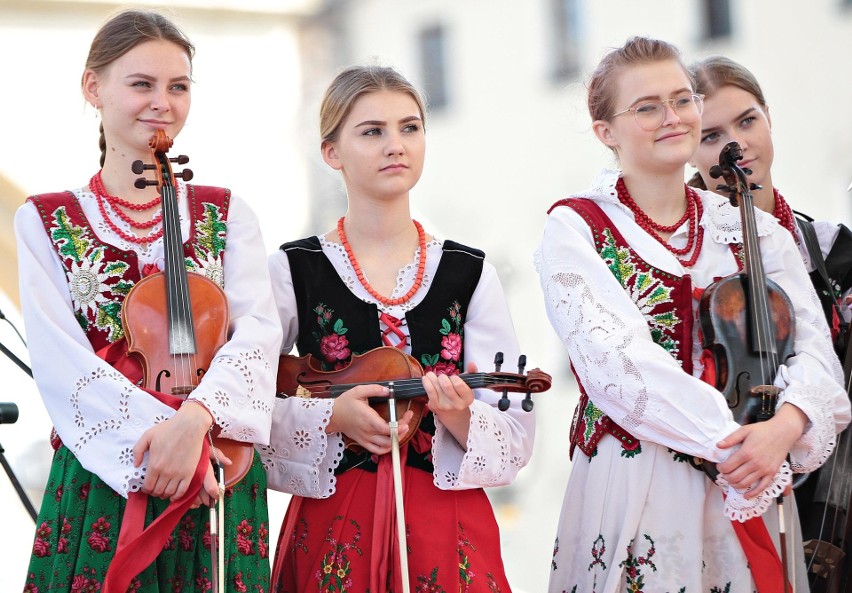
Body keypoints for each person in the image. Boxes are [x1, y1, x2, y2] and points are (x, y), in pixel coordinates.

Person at [534, 36, 851, 592]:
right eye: (647, 106)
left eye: (682, 100)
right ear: (605, 132)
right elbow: (620, 367)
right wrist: (741, 447)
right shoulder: (577, 228)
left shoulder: (755, 229)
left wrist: (785, 427)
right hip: (643, 480)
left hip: (755, 475)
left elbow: (815, 354)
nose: (672, 117)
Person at [15, 9, 282, 592]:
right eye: (142, 84)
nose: (162, 102)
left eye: (178, 87)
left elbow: (260, 337)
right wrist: (167, 437)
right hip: (106, 472)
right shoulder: (43, 219)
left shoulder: (229, 212)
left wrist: (196, 422)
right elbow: (63, 365)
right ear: (93, 87)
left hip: (218, 469)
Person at [259, 65, 535, 593]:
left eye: (410, 128)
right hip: (335, 518)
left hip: (447, 519)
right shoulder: (292, 270)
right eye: (372, 131)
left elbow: (515, 432)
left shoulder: (470, 273)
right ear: (331, 152)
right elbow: (243, 399)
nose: (396, 145)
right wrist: (329, 417)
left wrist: (458, 414)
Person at [687, 54, 852, 590]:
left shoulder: (829, 246)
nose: (736, 145)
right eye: (710, 135)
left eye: (747, 121)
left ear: (769, 118)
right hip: (730, 475)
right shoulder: (685, 257)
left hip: (833, 483)